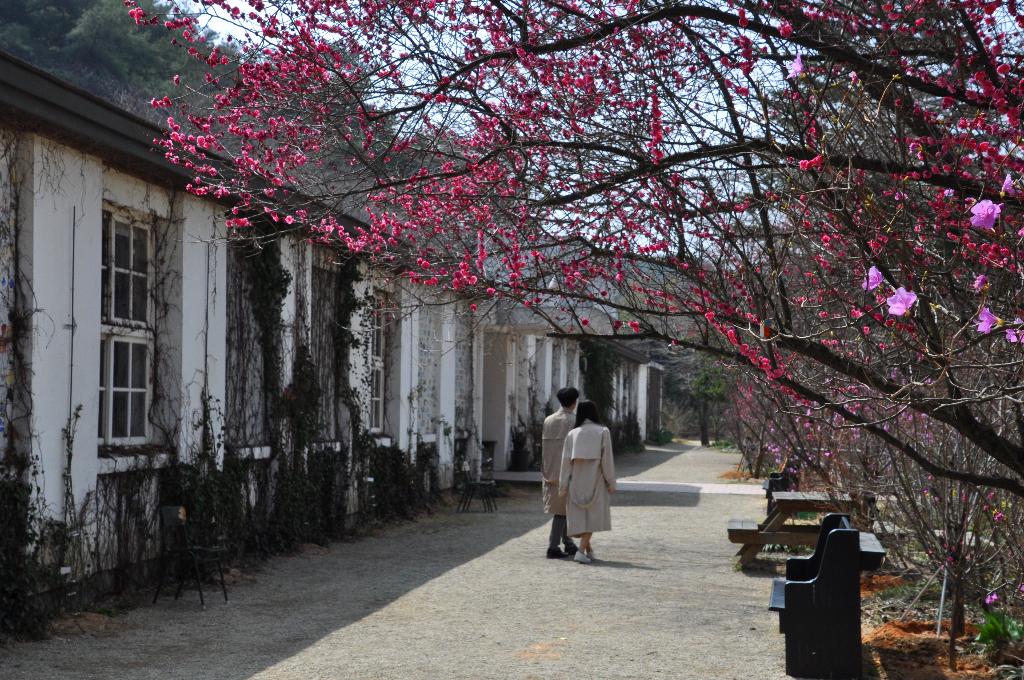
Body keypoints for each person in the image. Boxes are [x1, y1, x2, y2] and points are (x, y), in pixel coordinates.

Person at [558, 400, 616, 564]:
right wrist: (611, 481)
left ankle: (588, 550)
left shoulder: (572, 434)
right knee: (592, 516)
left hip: (576, 481)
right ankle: (581, 552)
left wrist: (563, 485)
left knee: (581, 516)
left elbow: (565, 461)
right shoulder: (603, 432)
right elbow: (607, 460)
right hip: (596, 480)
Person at [541, 387, 580, 558]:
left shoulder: (549, 420)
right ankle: (553, 546)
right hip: (568, 470)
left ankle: (568, 542)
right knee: (562, 511)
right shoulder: (575, 421)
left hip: (550, 470)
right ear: (574, 402)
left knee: (563, 509)